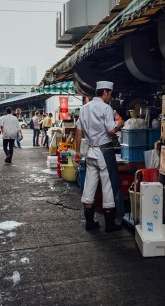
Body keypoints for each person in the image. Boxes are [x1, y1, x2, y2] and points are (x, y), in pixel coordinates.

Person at [74, 81, 124, 232]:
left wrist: (77, 151)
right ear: (106, 92)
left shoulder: (84, 108)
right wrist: (120, 123)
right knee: (108, 186)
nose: (110, 97)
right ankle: (109, 224)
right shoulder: (106, 108)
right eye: (110, 94)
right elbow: (111, 131)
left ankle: (89, 223)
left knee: (89, 186)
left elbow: (78, 131)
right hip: (104, 152)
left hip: (91, 152)